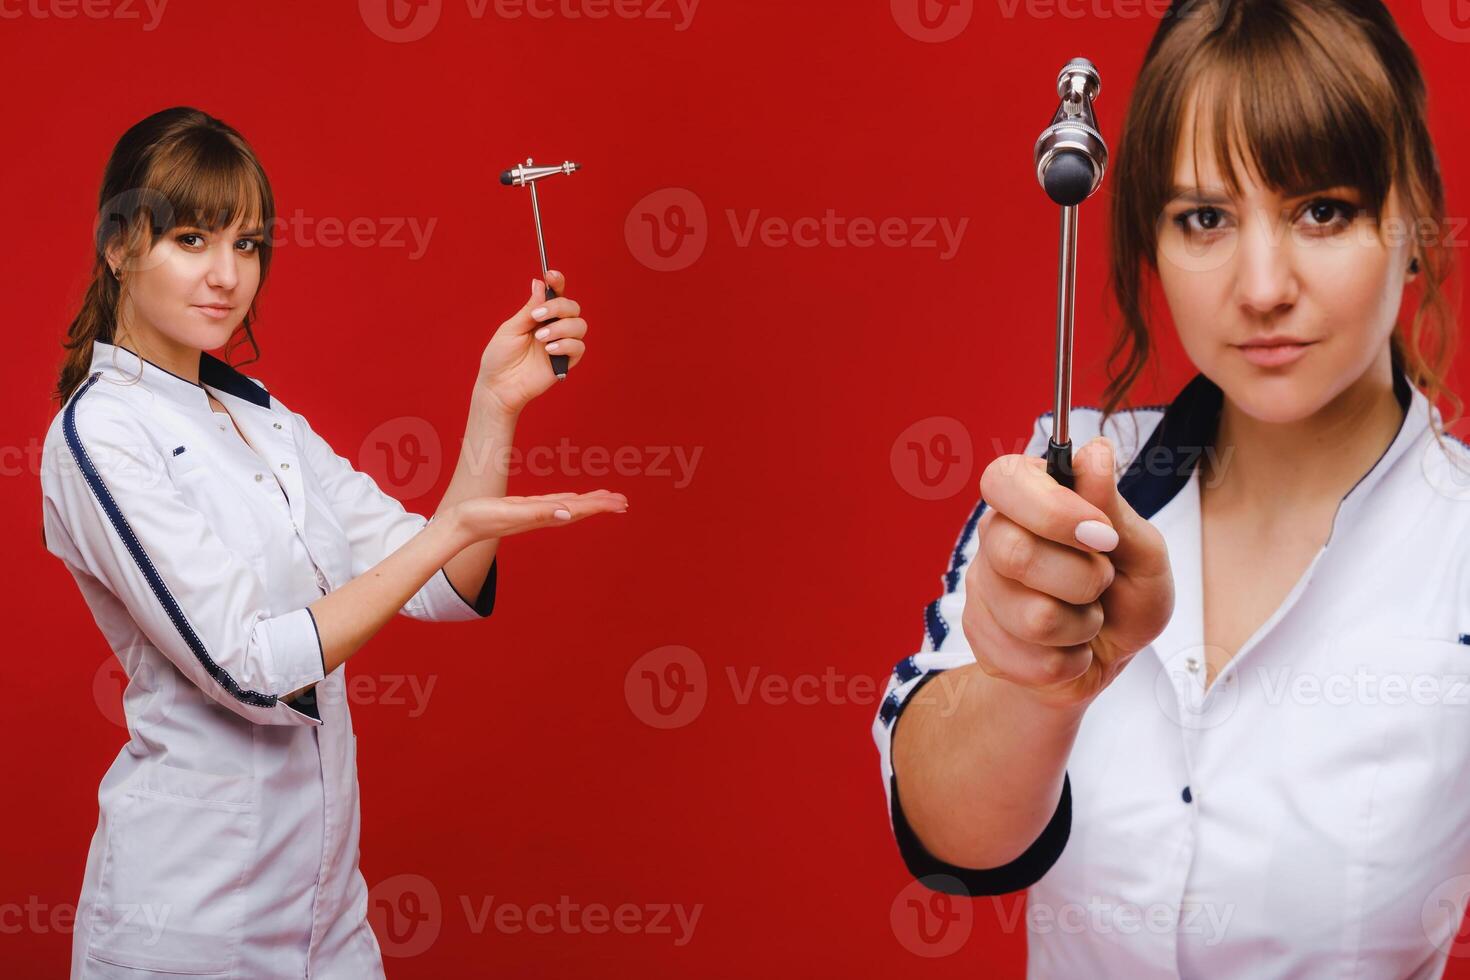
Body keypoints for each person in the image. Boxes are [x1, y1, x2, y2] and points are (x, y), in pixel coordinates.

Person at [872, 0, 1470, 975]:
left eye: (1323, 209)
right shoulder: (1060, 490)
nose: (1263, 284)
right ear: (1150, 237)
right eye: (1205, 218)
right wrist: (1037, 681)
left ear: (1414, 219)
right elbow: (951, 847)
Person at [40, 106, 627, 979]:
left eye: (247, 245)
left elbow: (443, 583)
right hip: (188, 928)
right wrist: (452, 531)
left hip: (325, 918)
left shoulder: (259, 417)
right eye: (193, 238)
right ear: (122, 246)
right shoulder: (98, 435)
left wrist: (493, 407)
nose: (226, 276)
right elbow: (251, 666)